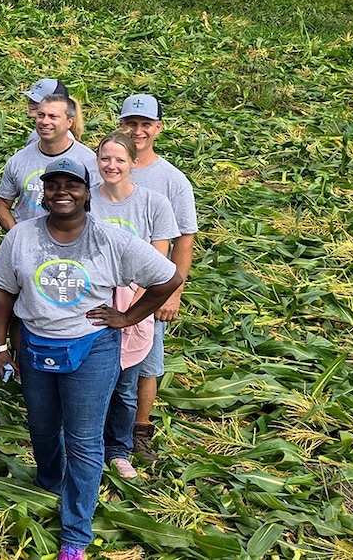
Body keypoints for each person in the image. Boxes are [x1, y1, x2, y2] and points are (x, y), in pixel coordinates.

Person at [0, 158, 181, 560]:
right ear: (43, 192)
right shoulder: (21, 235)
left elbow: (169, 278)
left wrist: (127, 317)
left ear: (87, 192)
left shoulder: (110, 240)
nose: (61, 192)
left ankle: (76, 532)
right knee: (41, 428)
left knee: (84, 439)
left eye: (71, 185)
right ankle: (50, 484)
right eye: (53, 185)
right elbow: (3, 292)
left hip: (91, 347)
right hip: (37, 345)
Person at [114, 94, 197, 465]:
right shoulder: (109, 165)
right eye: (131, 123)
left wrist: (172, 292)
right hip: (107, 287)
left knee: (147, 362)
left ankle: (140, 430)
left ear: (158, 128)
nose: (138, 130)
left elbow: (185, 238)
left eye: (145, 124)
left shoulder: (171, 180)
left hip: (150, 288)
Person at [89, 132, 177, 479]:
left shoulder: (154, 204)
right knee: (91, 383)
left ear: (133, 163)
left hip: (136, 306)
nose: (111, 166)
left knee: (126, 385)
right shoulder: (87, 201)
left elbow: (161, 263)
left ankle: (119, 448)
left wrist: (130, 313)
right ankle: (87, 444)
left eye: (119, 160)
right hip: (93, 305)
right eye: (105, 159)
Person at [0, 93, 96, 230]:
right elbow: (2, 206)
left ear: (69, 122)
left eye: (53, 116)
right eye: (41, 115)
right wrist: (17, 235)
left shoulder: (89, 162)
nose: (44, 121)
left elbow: (98, 207)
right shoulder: (18, 160)